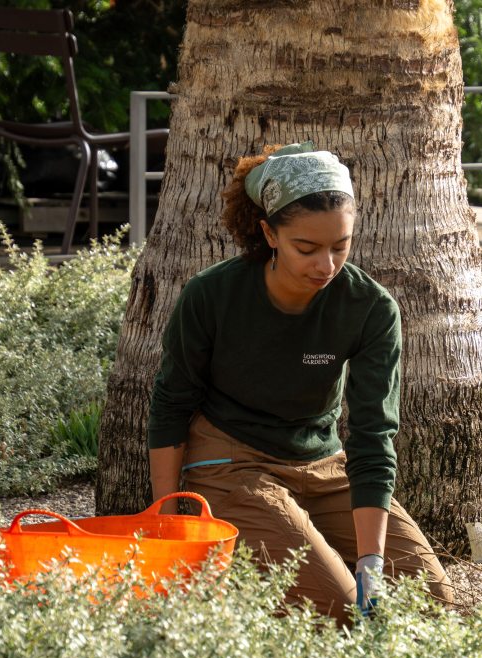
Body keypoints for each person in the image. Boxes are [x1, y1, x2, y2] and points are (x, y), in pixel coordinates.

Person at [147, 141, 454, 623]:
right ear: (269, 233)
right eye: (306, 248)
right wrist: (167, 518)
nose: (326, 266)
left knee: (431, 603)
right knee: (340, 606)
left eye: (341, 246)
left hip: (325, 466)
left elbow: (374, 435)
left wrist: (372, 561)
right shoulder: (211, 294)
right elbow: (170, 404)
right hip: (232, 465)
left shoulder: (370, 308)